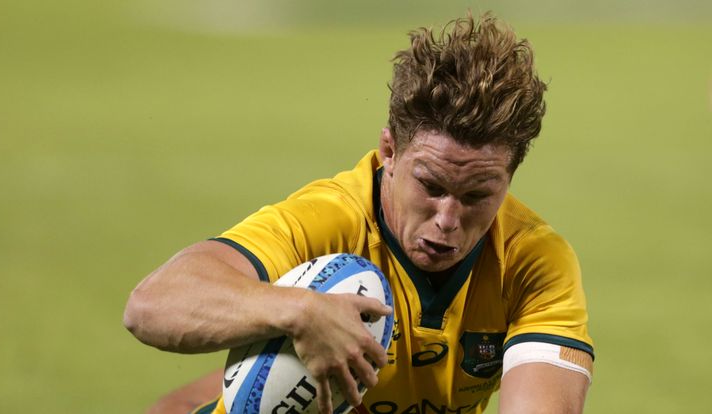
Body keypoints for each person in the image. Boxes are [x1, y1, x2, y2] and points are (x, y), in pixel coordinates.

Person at [124, 12, 594, 414]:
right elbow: (151, 305)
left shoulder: (534, 263)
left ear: (511, 177)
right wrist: (301, 312)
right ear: (389, 150)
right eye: (430, 186)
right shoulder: (328, 220)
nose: (448, 220)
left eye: (477, 196)